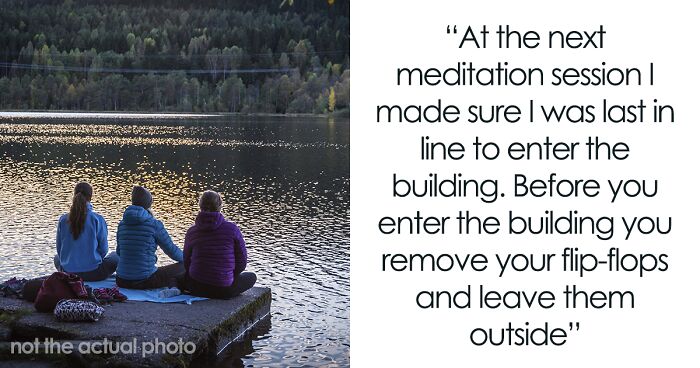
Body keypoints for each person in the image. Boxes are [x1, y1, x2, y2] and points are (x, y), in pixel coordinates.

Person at [182, 190, 256, 299]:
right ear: (220, 206)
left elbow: (187, 261)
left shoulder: (192, 231)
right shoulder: (232, 229)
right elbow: (242, 262)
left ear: (200, 206)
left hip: (196, 288)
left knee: (180, 277)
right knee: (251, 277)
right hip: (223, 290)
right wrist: (226, 275)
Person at [115, 186, 184, 289]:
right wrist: (188, 259)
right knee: (185, 266)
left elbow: (119, 252)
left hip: (121, 280)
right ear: (149, 204)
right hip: (144, 280)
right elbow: (172, 251)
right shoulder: (154, 224)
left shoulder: (122, 224)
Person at [54, 182, 119, 281]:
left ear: (74, 195)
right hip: (94, 273)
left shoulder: (63, 219)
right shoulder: (97, 219)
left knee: (56, 258)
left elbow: (59, 249)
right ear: (90, 197)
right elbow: (104, 250)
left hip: (68, 273)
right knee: (115, 256)